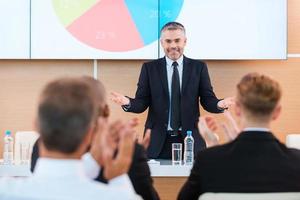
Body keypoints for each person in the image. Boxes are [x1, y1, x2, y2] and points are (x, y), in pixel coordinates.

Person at [0, 78, 141, 200]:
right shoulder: (119, 196)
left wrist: (94, 160)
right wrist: (118, 176)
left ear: (36, 126)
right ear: (90, 133)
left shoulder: (5, 191)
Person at [111, 22, 233, 159]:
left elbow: (207, 100)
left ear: (185, 41)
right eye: (168, 41)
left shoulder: (198, 67)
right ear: (162, 43)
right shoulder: (149, 68)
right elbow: (141, 103)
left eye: (177, 40)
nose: (173, 46)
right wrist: (126, 101)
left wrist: (220, 104)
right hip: (157, 141)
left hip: (190, 139)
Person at [30, 76, 160, 200]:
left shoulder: (40, 146)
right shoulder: (128, 152)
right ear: (106, 111)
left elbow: (53, 186)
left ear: (37, 125)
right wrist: (125, 166)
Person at [178, 73, 300, 200]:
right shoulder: (297, 161)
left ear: (236, 109)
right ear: (277, 112)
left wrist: (213, 150)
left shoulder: (208, 160)